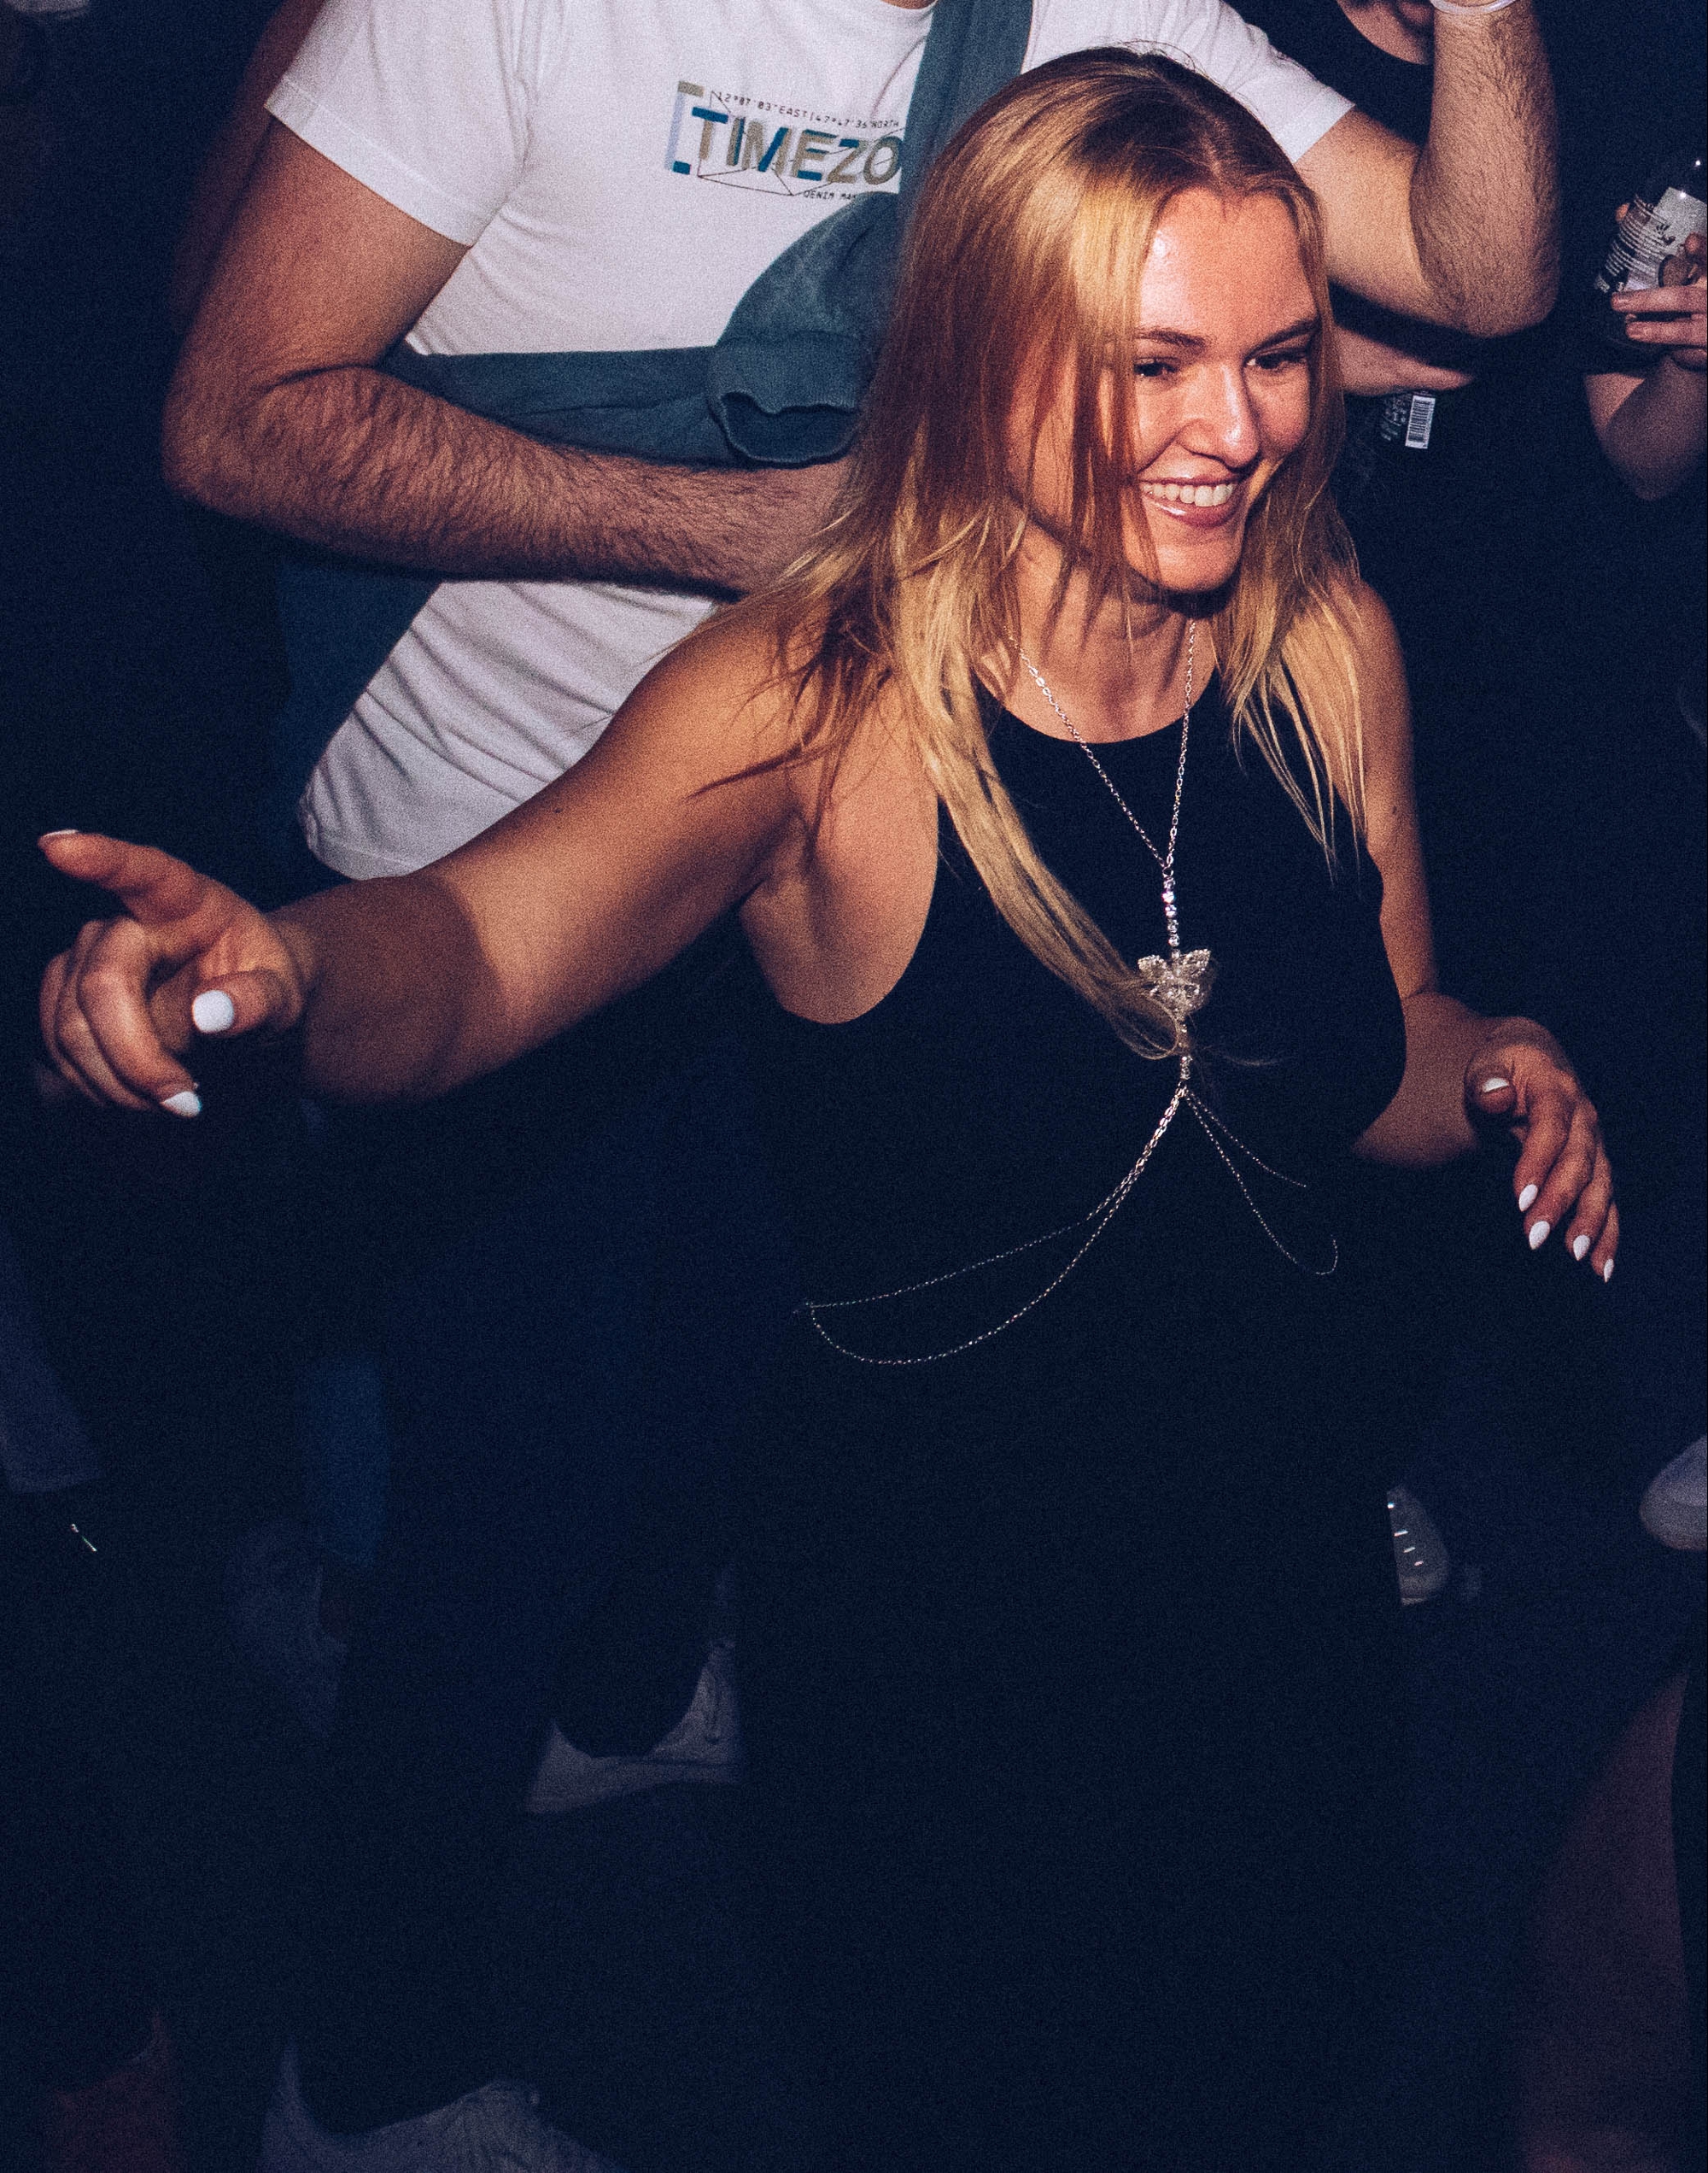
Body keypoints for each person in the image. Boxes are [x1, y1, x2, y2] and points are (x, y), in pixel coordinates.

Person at [41, 53, 1616, 2172]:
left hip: (1270, 1551)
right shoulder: (813, 698)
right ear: (981, 354)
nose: (1236, 428)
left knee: (1272, 2043)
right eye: (1151, 364)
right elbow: (486, 950)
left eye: (1273, 357)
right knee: (987, 2090)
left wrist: (1495, 1061)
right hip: (945, 1608)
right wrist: (291, 978)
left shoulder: (1322, 638)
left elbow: (1375, 1053)